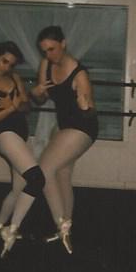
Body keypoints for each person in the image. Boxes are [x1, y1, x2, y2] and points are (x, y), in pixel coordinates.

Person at [0, 41, 45, 257]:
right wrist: (12, 107)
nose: (7, 67)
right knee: (37, 180)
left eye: (11, 64)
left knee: (18, 188)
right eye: (4, 61)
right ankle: (11, 230)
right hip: (5, 136)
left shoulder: (14, 78)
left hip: (20, 136)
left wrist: (21, 103)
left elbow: (27, 107)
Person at [30, 26, 98, 254]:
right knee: (62, 174)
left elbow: (90, 112)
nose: (49, 55)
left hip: (83, 127)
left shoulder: (79, 73)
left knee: (44, 170)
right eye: (44, 51)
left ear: (63, 43)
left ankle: (62, 227)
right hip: (65, 127)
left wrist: (85, 106)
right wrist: (36, 93)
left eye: (52, 49)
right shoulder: (46, 65)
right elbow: (41, 100)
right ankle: (65, 230)